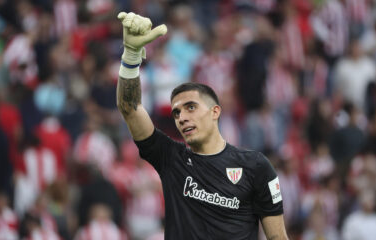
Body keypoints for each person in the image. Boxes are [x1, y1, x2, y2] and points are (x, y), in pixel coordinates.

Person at [116, 12, 288, 239]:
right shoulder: (171, 158)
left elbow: (278, 237)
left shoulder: (255, 167)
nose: (182, 117)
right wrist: (130, 58)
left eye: (190, 107)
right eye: (176, 112)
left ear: (215, 111)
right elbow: (130, 108)